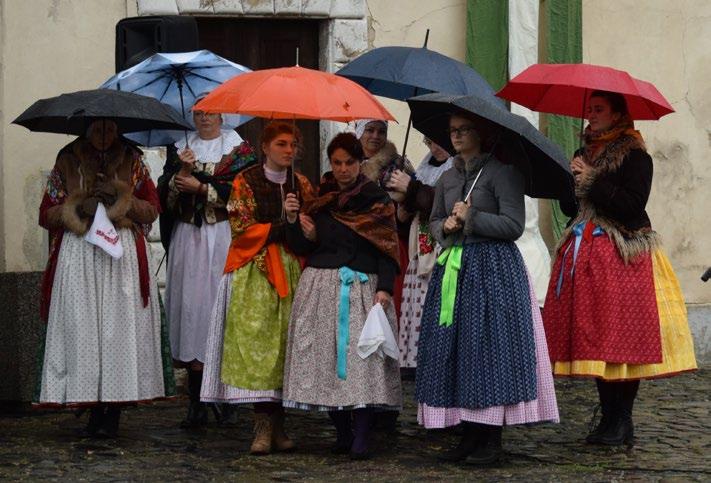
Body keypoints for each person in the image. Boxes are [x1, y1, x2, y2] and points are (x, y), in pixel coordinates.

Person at [543, 90, 697, 446]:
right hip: (590, 257)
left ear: (617, 115)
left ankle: (622, 420)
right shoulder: (584, 153)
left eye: (599, 110)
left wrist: (593, 179)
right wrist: (572, 183)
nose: (591, 116)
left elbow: (630, 206)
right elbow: (571, 210)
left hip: (624, 255)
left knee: (622, 341)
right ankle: (608, 417)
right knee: (598, 340)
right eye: (589, 110)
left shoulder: (636, 155)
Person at [415, 113, 559, 465]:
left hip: (492, 269)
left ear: (480, 134)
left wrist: (472, 217)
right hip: (456, 270)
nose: (457, 136)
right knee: (458, 350)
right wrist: (445, 226)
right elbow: (433, 221)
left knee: (489, 350)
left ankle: (491, 438)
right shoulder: (448, 177)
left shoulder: (502, 173)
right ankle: (468, 436)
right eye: (452, 130)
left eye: (464, 130)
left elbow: (512, 225)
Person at [37, 119, 172, 437]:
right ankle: (91, 405)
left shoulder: (132, 159)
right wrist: (77, 206)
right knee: (83, 329)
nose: (103, 135)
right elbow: (46, 212)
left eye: (109, 129)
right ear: (86, 129)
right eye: (97, 129)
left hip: (120, 253)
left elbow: (152, 209)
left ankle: (114, 409)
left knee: (118, 329)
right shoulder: (67, 158)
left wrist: (120, 197)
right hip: (80, 252)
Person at [281, 132, 402, 460]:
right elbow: (303, 247)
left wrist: (384, 289)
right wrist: (294, 220)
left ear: (360, 163)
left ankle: (362, 434)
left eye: (349, 162)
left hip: (361, 288)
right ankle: (343, 432)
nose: (343, 169)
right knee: (326, 364)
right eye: (337, 163)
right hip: (320, 288)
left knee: (362, 365)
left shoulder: (376, 199)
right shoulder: (321, 199)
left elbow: (388, 248)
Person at [199, 121, 314, 455]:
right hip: (254, 271)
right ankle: (261, 426)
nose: (288, 150)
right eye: (281, 144)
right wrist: (281, 222)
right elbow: (241, 227)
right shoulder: (245, 181)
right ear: (265, 147)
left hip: (291, 270)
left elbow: (311, 228)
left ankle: (279, 425)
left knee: (283, 347)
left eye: (293, 144)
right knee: (257, 344)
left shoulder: (302, 184)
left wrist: (299, 221)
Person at [158, 97, 256, 428]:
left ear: (222, 114)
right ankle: (196, 399)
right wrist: (180, 174)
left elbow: (246, 194)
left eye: (211, 112)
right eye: (199, 113)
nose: (205, 118)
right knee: (191, 308)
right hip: (189, 238)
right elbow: (166, 197)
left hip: (223, 237)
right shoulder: (181, 147)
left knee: (221, 305)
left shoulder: (238, 150)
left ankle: (228, 397)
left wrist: (202, 188)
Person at [386, 137, 453, 369]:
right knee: (416, 299)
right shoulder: (424, 167)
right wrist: (403, 211)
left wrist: (412, 189)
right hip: (419, 243)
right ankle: (413, 359)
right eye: (430, 141)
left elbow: (441, 202)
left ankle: (434, 360)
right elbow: (415, 205)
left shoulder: (455, 168)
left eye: (440, 141)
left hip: (441, 246)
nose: (436, 147)